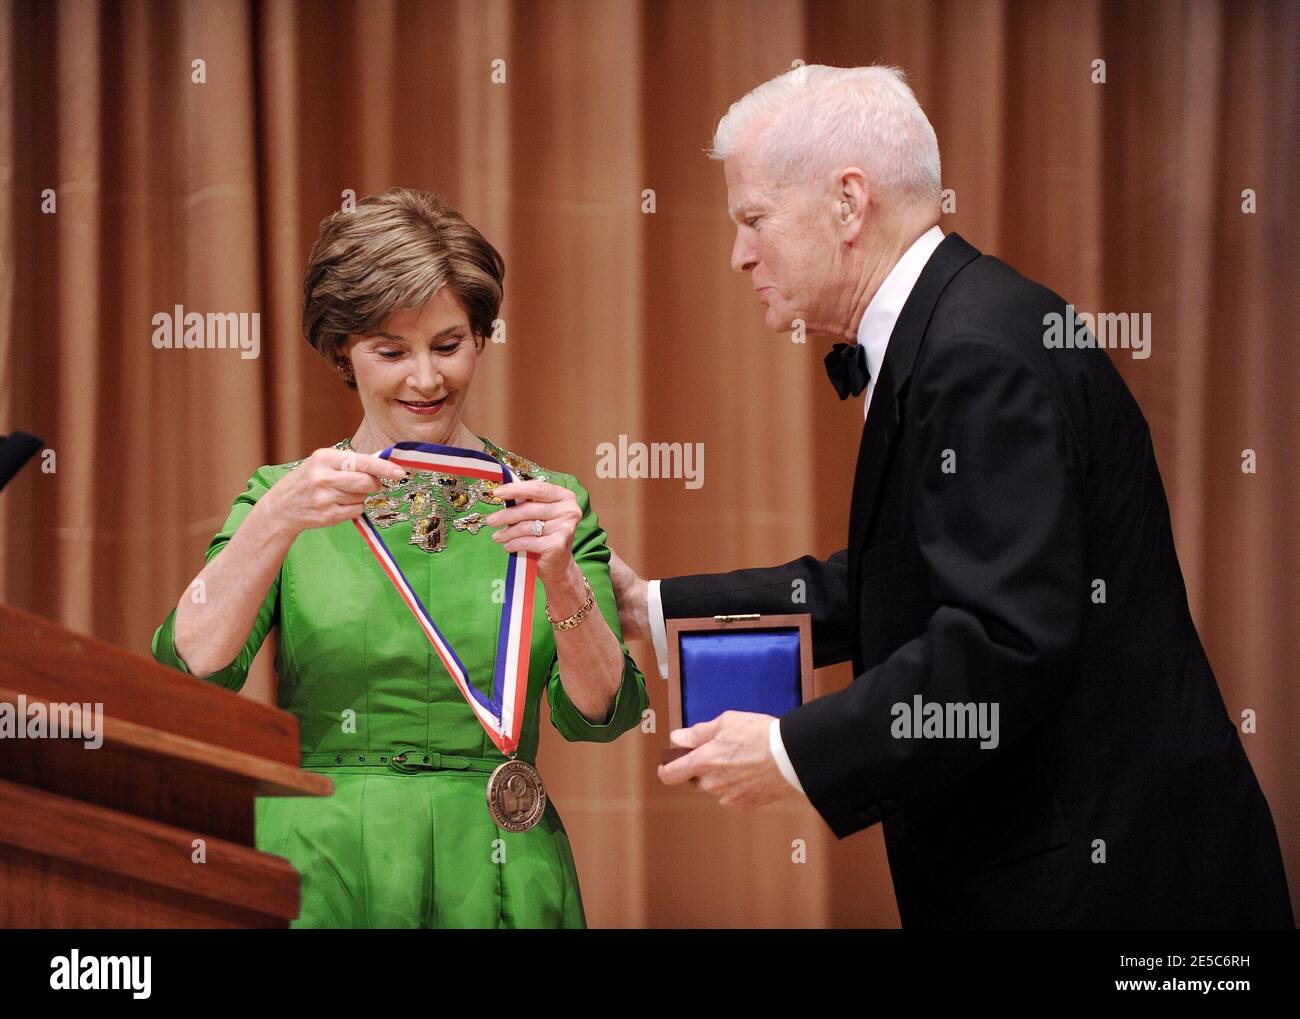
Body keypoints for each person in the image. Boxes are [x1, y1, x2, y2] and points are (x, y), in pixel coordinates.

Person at [611, 65, 1293, 928]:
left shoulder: (977, 354)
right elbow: (905, 578)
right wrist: (655, 606)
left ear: (849, 204)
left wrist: (791, 750)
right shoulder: (961, 323)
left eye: (753, 219)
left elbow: (1006, 642)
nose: (739, 253)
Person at [152, 186, 648, 928]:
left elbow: (601, 714)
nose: (426, 378)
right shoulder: (285, 495)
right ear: (343, 351)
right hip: (323, 860)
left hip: (499, 862)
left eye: (449, 344)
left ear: (480, 337)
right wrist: (275, 518)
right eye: (391, 350)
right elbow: (188, 671)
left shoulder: (548, 499)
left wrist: (561, 575)